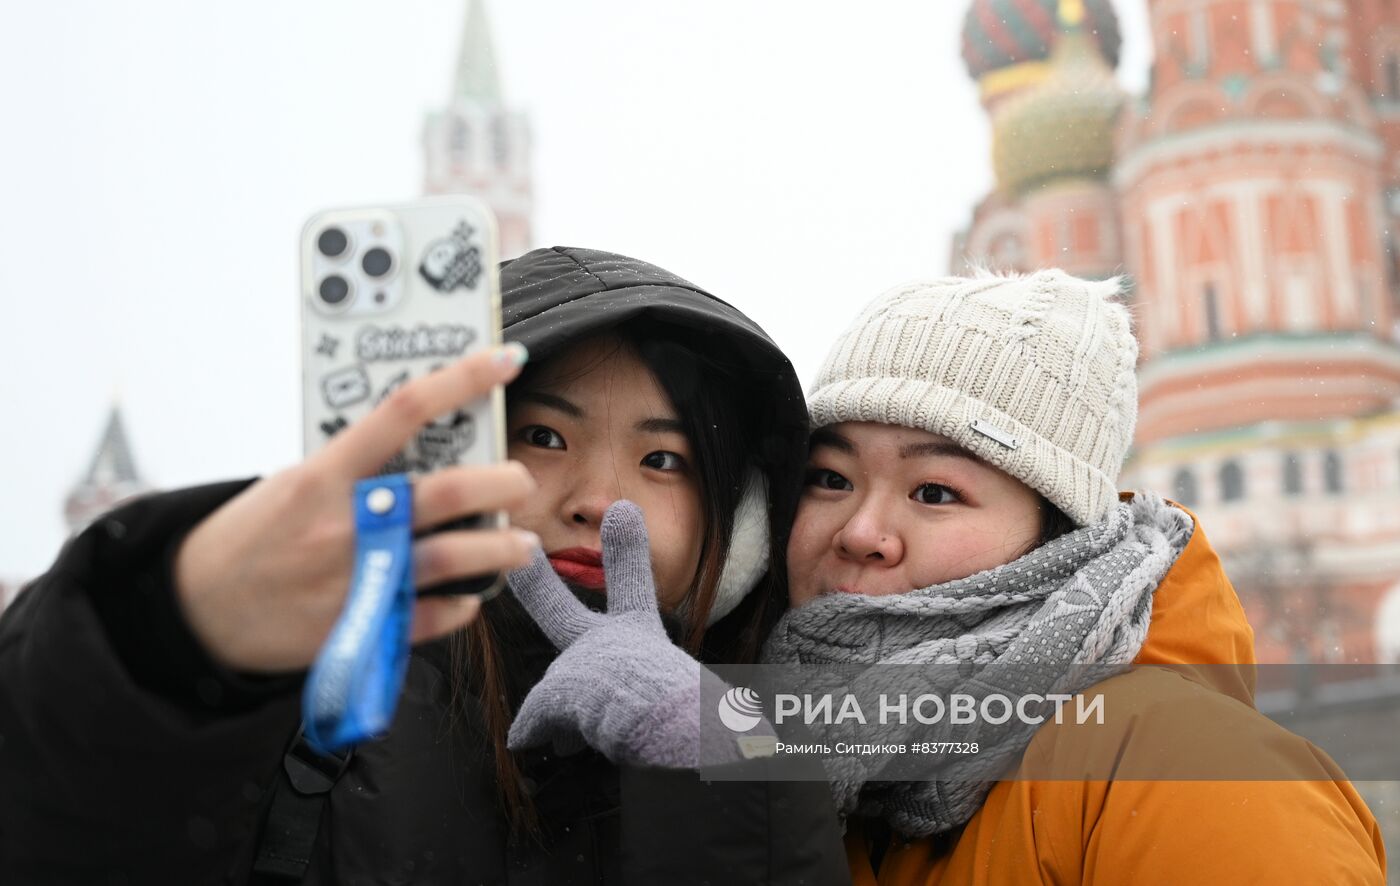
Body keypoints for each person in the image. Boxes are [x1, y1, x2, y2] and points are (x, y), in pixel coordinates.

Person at [509, 269, 1388, 884]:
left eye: (935, 491)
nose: (862, 532)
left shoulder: (1186, 771)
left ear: (1058, 537)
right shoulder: (818, 763)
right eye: (830, 478)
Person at [0, 246, 846, 884]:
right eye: (542, 437)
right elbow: (65, 818)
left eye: (665, 461)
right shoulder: (297, 714)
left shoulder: (793, 718)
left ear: (735, 533)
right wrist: (169, 633)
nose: (600, 501)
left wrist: (718, 746)